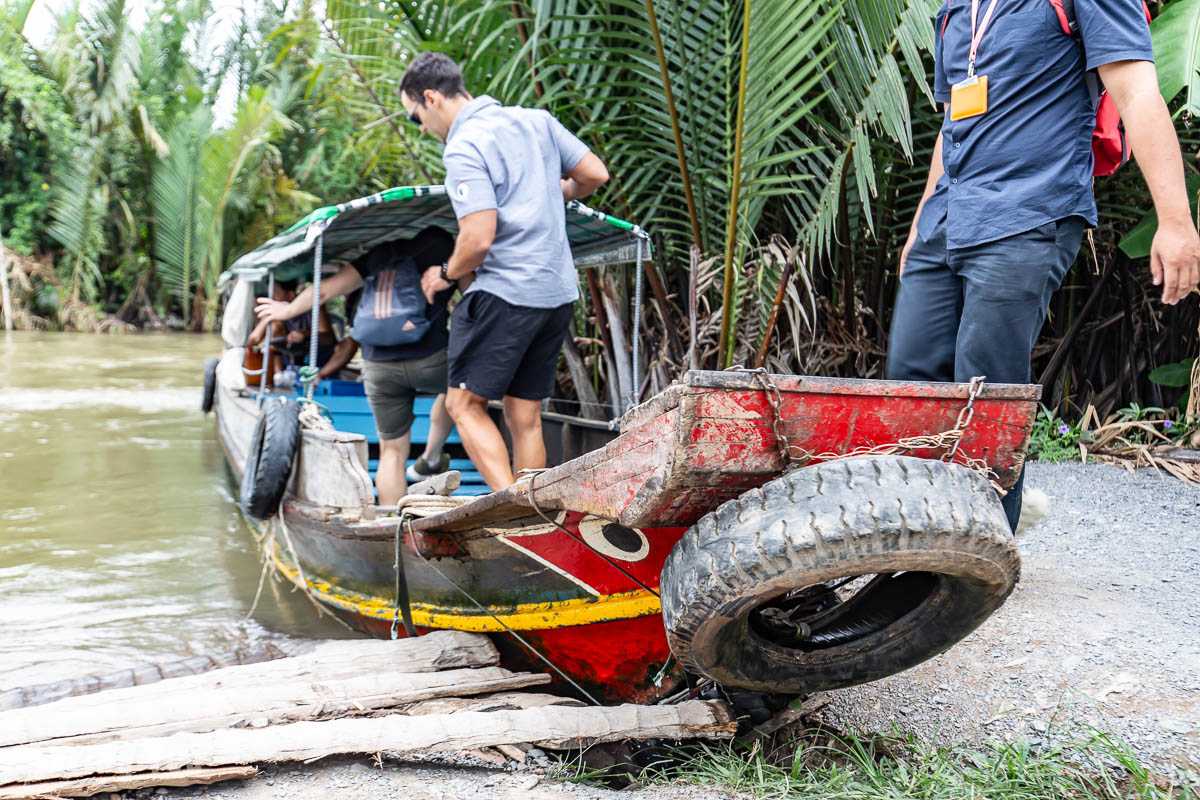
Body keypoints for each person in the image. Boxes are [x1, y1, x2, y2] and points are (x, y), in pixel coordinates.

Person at [888, 0, 1200, 531]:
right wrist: (922, 221)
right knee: (910, 376)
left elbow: (1137, 92)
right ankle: (922, 534)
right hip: (949, 216)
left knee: (986, 388)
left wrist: (1174, 221)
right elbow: (953, 120)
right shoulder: (958, 7)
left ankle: (984, 544)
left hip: (1028, 213)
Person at [399, 52, 610, 491]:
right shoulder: (536, 121)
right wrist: (562, 191)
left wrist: (445, 272)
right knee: (524, 415)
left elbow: (478, 237)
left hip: (506, 293)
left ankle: (511, 510)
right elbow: (594, 173)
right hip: (555, 293)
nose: (422, 129)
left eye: (416, 117)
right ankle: (535, 513)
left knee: (462, 404)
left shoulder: (464, 144)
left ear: (432, 98)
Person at [255, 228, 457, 505]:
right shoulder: (444, 245)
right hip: (432, 359)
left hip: (378, 364)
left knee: (392, 452)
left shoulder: (376, 255)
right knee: (462, 396)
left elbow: (324, 291)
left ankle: (391, 524)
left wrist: (286, 310)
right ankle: (432, 456)